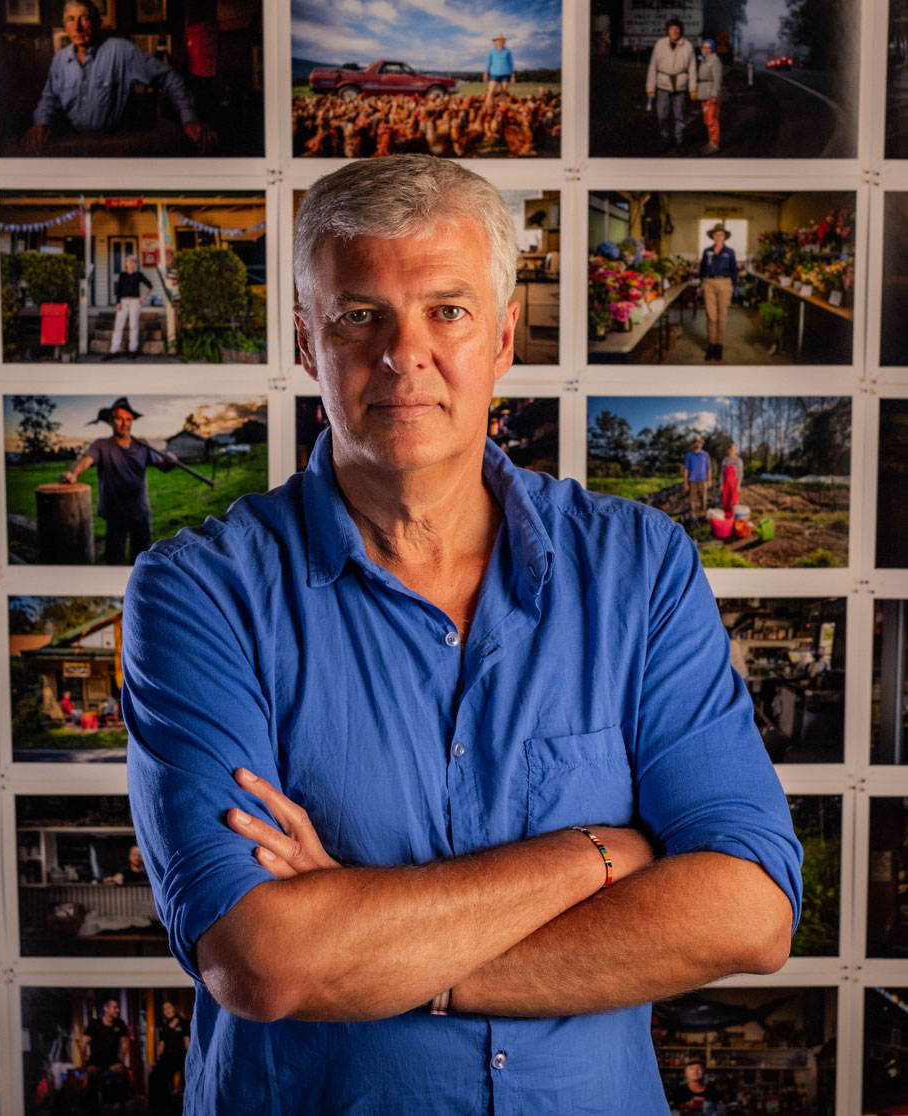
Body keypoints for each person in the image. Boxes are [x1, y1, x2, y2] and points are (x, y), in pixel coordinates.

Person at [122, 155, 801, 1115]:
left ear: (503, 338)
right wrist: (596, 856)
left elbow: (748, 912)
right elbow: (266, 962)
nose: (406, 353)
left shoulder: (638, 569)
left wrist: (395, 962)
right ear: (308, 343)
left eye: (448, 310)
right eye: (361, 314)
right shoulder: (200, 595)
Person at [20, 1, 216, 155]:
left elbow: (168, 76)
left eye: (84, 18)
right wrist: (41, 122)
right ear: (65, 25)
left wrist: (189, 119)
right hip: (74, 147)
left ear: (96, 23)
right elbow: (49, 98)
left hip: (115, 147)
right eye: (71, 19)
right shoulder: (60, 60)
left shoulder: (122, 51)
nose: (77, 27)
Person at [59, 396, 176, 566]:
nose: (124, 423)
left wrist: (170, 461)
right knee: (114, 559)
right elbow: (85, 460)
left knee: (142, 560)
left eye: (128, 419)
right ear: (111, 421)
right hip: (115, 515)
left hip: (140, 512)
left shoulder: (142, 445)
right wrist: (72, 474)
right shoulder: (102, 446)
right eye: (119, 418)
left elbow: (163, 466)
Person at [646, 18, 697, 150]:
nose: (674, 31)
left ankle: (679, 141)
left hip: (680, 85)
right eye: (672, 29)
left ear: (680, 31)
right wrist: (650, 87)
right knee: (661, 115)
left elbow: (692, 69)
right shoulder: (660, 44)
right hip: (663, 84)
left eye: (677, 29)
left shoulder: (688, 46)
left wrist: (692, 89)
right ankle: (665, 138)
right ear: (668, 31)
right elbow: (653, 67)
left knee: (679, 115)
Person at [80, 998, 129, 1115]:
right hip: (95, 1062)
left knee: (124, 1073)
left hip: (113, 1062)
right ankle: (93, 1107)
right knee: (91, 1073)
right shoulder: (94, 1024)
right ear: (106, 1009)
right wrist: (84, 1062)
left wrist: (121, 1062)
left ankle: (122, 1105)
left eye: (118, 1007)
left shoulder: (120, 1024)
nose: (117, 1010)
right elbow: (82, 1043)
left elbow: (124, 1045)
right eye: (114, 1007)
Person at [700, 222, 738, 361]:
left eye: (721, 234)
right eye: (716, 234)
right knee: (711, 316)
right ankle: (711, 345)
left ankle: (719, 346)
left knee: (722, 317)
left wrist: (731, 285)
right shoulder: (706, 251)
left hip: (725, 283)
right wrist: (703, 282)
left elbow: (734, 270)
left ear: (724, 236)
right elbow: (702, 268)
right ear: (712, 236)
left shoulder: (730, 252)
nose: (718, 236)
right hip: (709, 283)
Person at [147, 999, 190, 1115]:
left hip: (178, 1057)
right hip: (166, 1057)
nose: (167, 1011)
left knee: (160, 1076)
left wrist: (189, 1062)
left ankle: (165, 1106)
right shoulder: (164, 1026)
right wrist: (157, 1060)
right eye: (164, 1009)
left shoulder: (184, 1023)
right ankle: (159, 1106)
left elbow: (188, 1044)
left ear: (174, 1008)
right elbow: (161, 1044)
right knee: (153, 1076)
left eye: (169, 1008)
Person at [105, 257, 152, 360]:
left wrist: (143, 297)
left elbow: (149, 285)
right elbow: (119, 289)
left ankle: (132, 350)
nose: (130, 263)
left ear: (134, 264)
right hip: (123, 302)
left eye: (132, 261)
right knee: (118, 326)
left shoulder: (138, 275)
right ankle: (114, 351)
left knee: (133, 326)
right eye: (128, 261)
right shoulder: (122, 275)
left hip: (135, 302)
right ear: (126, 264)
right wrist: (118, 302)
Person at [696, 38, 723, 154]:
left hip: (711, 94)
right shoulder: (704, 60)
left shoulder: (714, 60)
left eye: (708, 48)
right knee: (707, 119)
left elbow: (717, 78)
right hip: (704, 92)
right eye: (704, 47)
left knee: (712, 118)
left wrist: (714, 94)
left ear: (712, 49)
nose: (705, 50)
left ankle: (714, 143)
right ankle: (711, 141)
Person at [483, 33, 515, 113]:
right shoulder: (492, 52)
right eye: (498, 40)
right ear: (495, 42)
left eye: (501, 40)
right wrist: (486, 73)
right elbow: (489, 63)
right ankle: (488, 109)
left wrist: (512, 75)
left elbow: (511, 63)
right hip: (495, 74)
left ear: (503, 41)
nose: (499, 42)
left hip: (506, 74)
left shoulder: (507, 51)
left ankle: (501, 109)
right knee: (491, 92)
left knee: (503, 91)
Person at [683, 435, 713, 520]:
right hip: (692, 480)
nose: (697, 444)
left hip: (703, 480)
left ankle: (703, 513)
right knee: (692, 498)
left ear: (701, 444)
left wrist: (709, 480)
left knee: (703, 497)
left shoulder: (705, 455)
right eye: (696, 442)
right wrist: (685, 482)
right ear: (694, 444)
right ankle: (692, 514)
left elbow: (709, 468)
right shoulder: (689, 455)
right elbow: (686, 469)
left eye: (699, 442)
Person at [720, 443, 743, 515]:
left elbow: (740, 473)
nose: (731, 451)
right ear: (728, 451)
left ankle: (734, 518)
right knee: (725, 501)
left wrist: (738, 485)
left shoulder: (738, 460)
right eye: (730, 449)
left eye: (733, 449)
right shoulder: (725, 460)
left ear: (735, 450)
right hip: (726, 484)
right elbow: (722, 473)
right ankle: (727, 517)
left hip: (734, 484)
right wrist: (721, 484)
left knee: (734, 501)